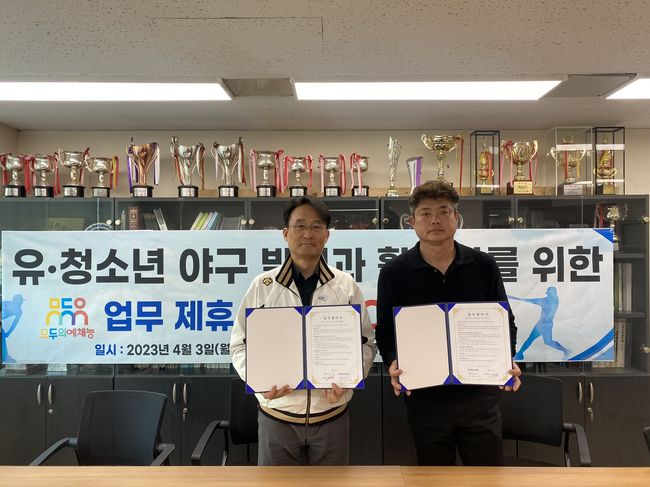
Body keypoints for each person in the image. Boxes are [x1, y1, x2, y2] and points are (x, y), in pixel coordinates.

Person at [375, 180, 522, 466]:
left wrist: (506, 357)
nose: (435, 220)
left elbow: (505, 322)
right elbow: (385, 331)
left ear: (457, 218)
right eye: (426, 213)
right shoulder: (395, 272)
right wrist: (393, 360)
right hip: (425, 396)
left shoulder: (484, 266)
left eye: (444, 212)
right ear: (412, 222)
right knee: (434, 478)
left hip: (479, 396)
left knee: (488, 478)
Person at [230, 195, 376, 466]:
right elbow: (239, 344)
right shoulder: (263, 286)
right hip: (277, 418)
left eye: (316, 226)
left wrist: (350, 380)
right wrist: (259, 383)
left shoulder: (345, 285)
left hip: (331, 416)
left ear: (326, 235)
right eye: (300, 225)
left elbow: (366, 343)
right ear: (286, 233)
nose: (308, 233)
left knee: (332, 486)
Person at [510, 286, 570, 360]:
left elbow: (536, 301)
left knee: (530, 339)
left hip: (542, 325)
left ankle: (519, 354)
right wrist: (525, 300)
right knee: (548, 341)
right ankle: (566, 351)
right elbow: (538, 301)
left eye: (549, 293)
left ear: (552, 294)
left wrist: (524, 300)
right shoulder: (555, 300)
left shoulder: (549, 301)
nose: (547, 295)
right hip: (547, 324)